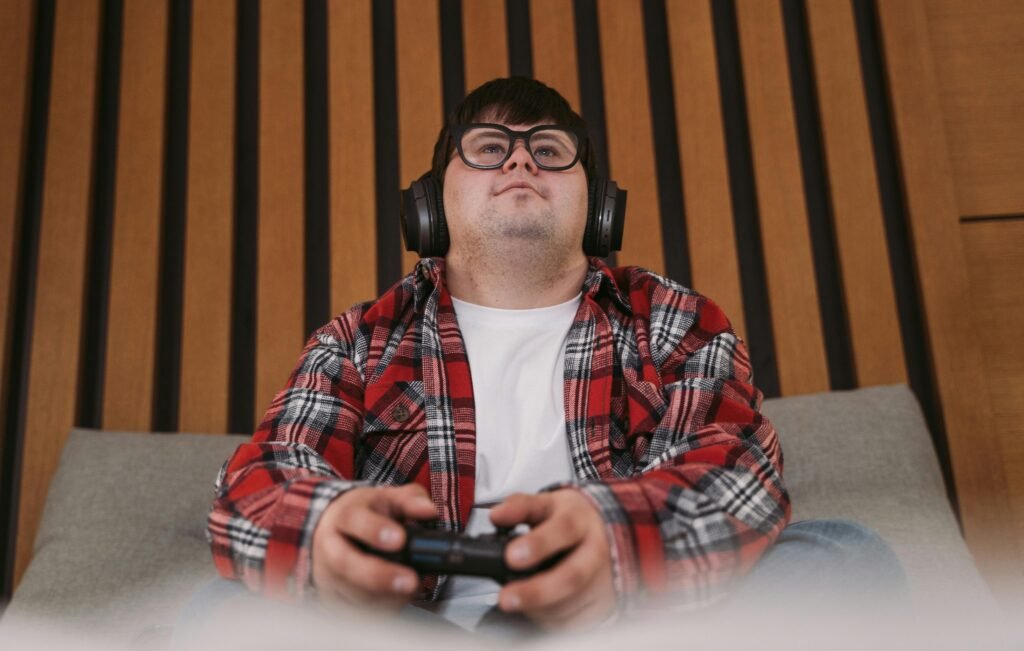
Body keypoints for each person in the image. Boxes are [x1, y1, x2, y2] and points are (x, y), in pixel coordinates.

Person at [203, 77, 901, 636]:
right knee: (217, 609)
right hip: (410, 631)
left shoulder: (674, 320)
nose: (519, 160)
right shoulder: (357, 339)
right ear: (429, 204)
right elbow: (260, 480)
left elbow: (738, 468)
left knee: (848, 557)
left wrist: (616, 545)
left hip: (619, 626)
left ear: (597, 208)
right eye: (486, 147)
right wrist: (323, 534)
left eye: (548, 148)